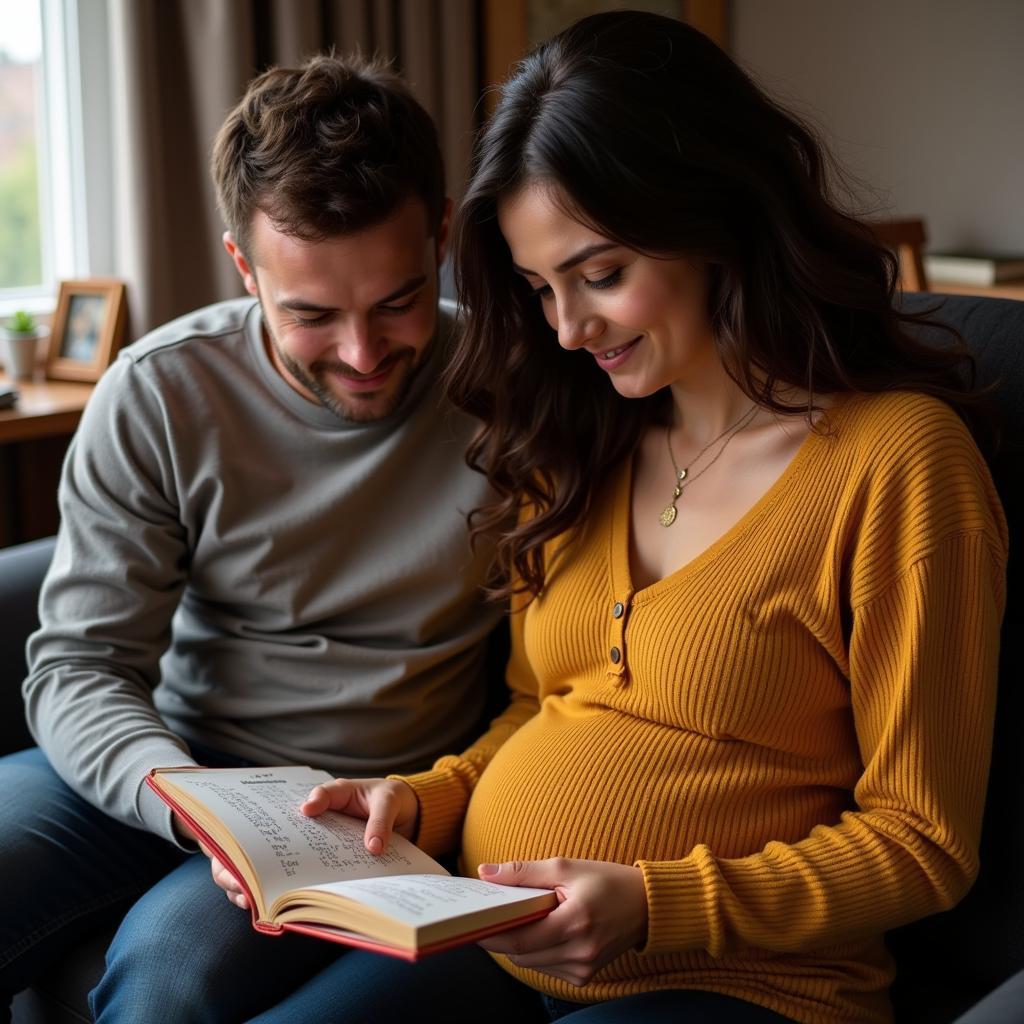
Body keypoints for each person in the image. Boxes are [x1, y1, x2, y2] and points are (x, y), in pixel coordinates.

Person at [235, 11, 1009, 1024]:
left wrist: (653, 903)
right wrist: (424, 797)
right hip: (494, 939)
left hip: (743, 984)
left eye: (600, 275)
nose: (566, 327)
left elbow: (923, 842)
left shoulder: (895, 463)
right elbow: (538, 709)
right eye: (538, 287)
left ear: (715, 217)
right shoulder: (584, 438)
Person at [0, 54, 503, 1022]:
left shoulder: (513, 393)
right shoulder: (160, 393)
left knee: (170, 974)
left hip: (360, 809)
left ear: (440, 234)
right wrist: (188, 796)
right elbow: (77, 667)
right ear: (242, 263)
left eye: (399, 300)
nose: (364, 355)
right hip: (174, 758)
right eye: (312, 314)